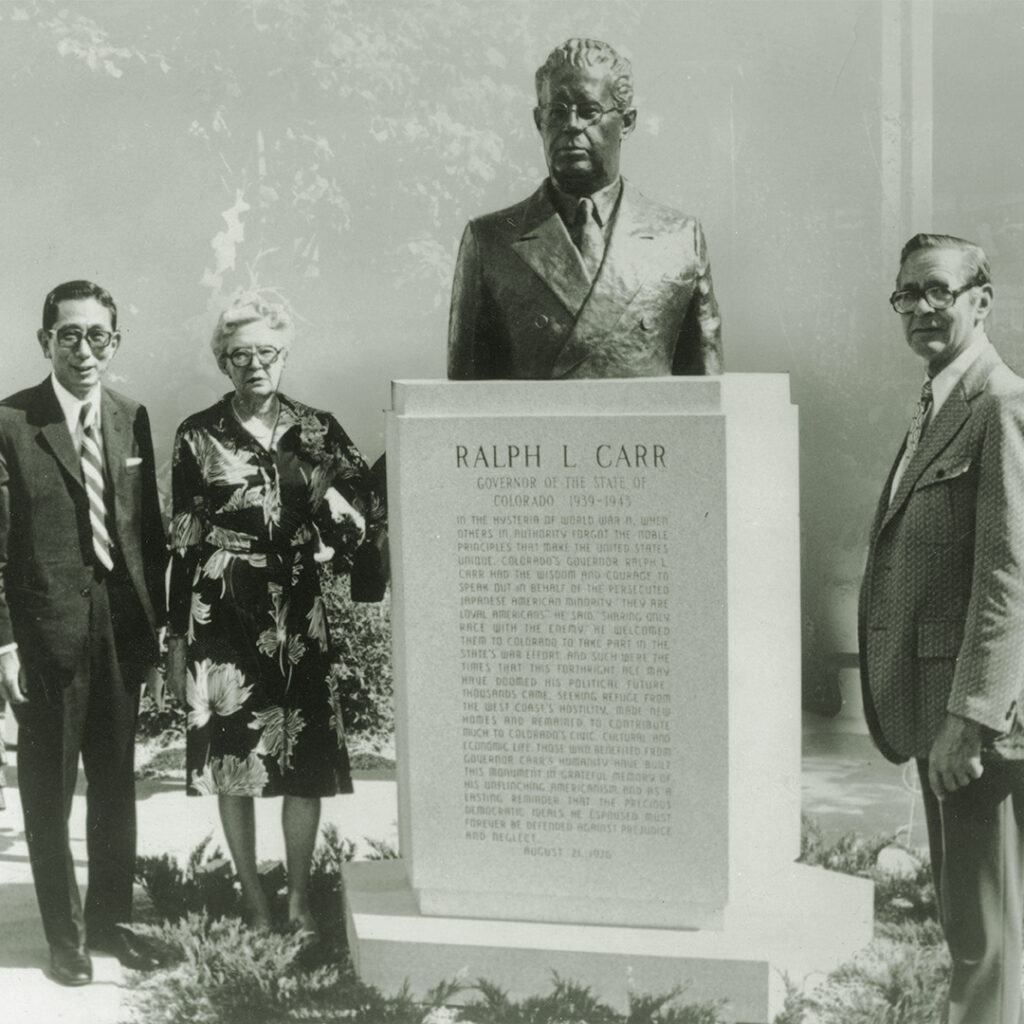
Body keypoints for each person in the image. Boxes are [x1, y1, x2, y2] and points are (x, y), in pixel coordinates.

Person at [166, 292, 385, 942]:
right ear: (223, 361)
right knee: (233, 763)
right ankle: (255, 901)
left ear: (284, 354)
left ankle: (296, 900)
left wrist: (333, 546)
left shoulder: (317, 429)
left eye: (265, 353)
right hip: (221, 611)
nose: (254, 365)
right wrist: (175, 642)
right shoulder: (196, 434)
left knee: (304, 761)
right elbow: (181, 542)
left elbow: (365, 503)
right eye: (239, 355)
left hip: (299, 612)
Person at [859, 234, 1024, 1024]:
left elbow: (1009, 579)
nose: (921, 308)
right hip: (944, 720)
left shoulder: (1000, 404)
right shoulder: (939, 404)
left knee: (983, 946)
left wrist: (970, 720)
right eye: (906, 295)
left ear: (980, 301)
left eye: (939, 291)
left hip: (977, 732)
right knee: (976, 937)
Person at [0, 280, 166, 984]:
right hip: (45, 630)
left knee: (115, 786)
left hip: (121, 628)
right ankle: (64, 937)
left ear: (115, 343)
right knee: (47, 788)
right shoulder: (11, 422)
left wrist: (157, 636)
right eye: (69, 335)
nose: (84, 349)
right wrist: (5, 640)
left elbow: (148, 533)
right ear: (45, 342)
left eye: (98, 335)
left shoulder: (131, 417)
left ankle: (111, 925)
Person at [447, 37, 722, 380]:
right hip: (534, 434)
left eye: (589, 111)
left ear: (626, 122)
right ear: (539, 122)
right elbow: (464, 402)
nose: (572, 125)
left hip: (646, 433)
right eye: (557, 112)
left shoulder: (679, 239)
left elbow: (707, 396)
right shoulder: (490, 241)